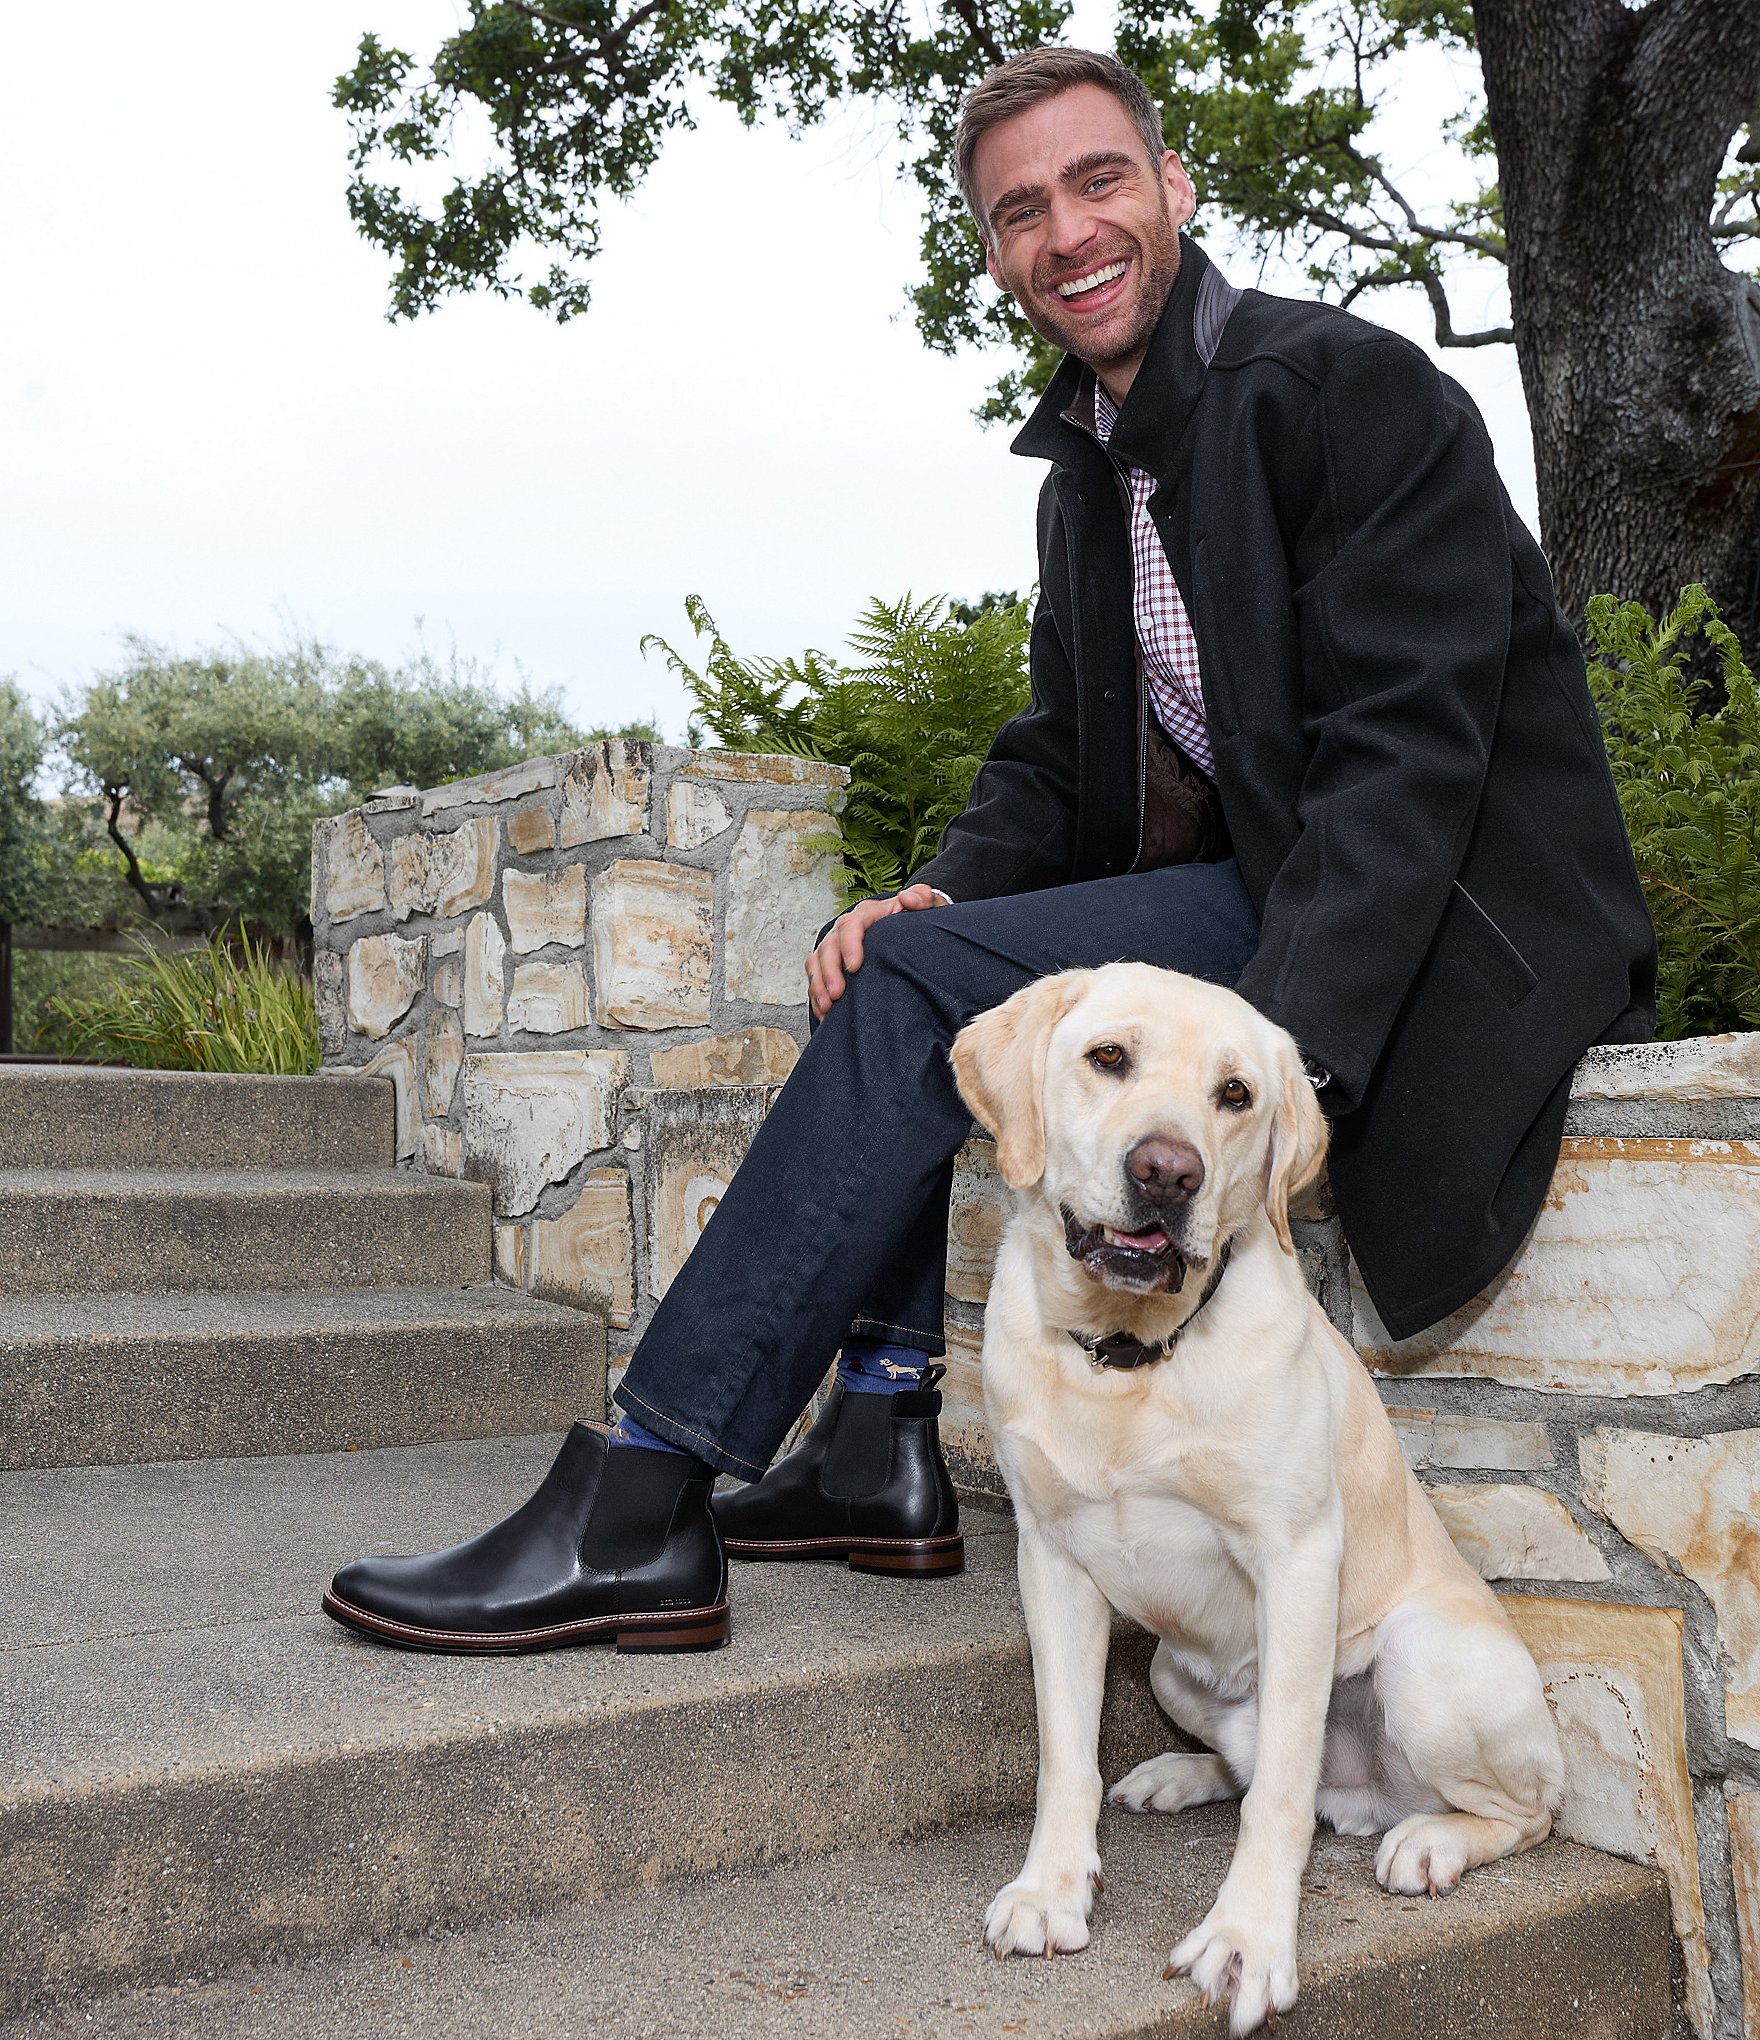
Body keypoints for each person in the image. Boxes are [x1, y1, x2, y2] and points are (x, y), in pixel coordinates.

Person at [322, 45, 1655, 1656]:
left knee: (917, 989)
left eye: (1099, 181)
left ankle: (644, 1499)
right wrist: (943, 892)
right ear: (997, 254)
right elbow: (1057, 752)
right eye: (1021, 211)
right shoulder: (1089, 474)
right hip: (1275, 888)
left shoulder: (1346, 393)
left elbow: (1409, 753)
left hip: (1435, 921)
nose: (1067, 231)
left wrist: (1276, 1069)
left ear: (1174, 187)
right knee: (895, 961)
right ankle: (878, 1438)